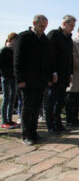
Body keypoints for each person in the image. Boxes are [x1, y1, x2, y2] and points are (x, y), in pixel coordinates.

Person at [14, 14, 53, 145]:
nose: (43, 29)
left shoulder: (45, 40)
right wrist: (20, 79)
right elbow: (18, 59)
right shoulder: (24, 37)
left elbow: (47, 61)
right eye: (41, 26)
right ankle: (26, 135)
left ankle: (34, 132)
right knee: (27, 108)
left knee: (37, 108)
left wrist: (48, 78)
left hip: (41, 80)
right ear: (34, 23)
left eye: (45, 27)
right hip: (27, 80)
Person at [46, 15, 76, 134]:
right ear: (64, 24)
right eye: (71, 26)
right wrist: (52, 72)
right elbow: (49, 55)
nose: (73, 28)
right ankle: (50, 125)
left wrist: (71, 73)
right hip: (55, 74)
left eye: (74, 26)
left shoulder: (68, 39)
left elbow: (70, 58)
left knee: (60, 101)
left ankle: (58, 124)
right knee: (51, 100)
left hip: (65, 75)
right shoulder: (53, 34)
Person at [0, 32, 18, 129]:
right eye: (15, 40)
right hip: (6, 77)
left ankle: (9, 119)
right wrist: (3, 73)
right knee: (6, 99)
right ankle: (4, 121)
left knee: (12, 99)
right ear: (10, 40)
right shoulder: (4, 51)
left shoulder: (14, 51)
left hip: (14, 77)